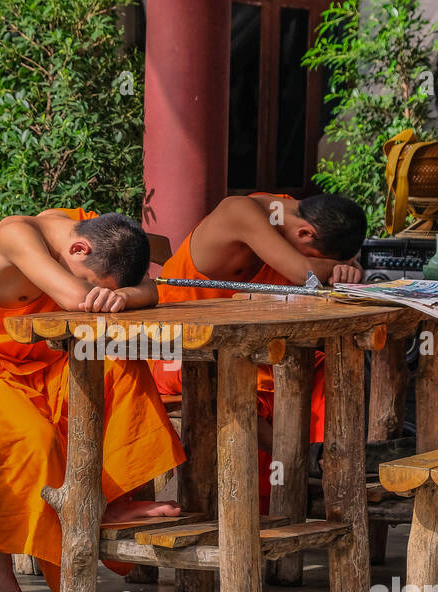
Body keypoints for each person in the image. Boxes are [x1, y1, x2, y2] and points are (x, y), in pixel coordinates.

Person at [0, 207, 186, 592]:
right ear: (79, 249)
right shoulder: (16, 234)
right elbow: (75, 299)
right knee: (36, 437)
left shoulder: (83, 226)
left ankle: (101, 499)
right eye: (95, 282)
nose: (96, 291)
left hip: (43, 367)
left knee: (122, 364)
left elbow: (154, 287)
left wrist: (125, 296)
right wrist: (111, 292)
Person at [149, 193, 368, 508]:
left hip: (243, 345)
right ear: (304, 233)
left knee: (318, 367)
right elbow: (304, 275)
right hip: (178, 349)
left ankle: (325, 460)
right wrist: (336, 267)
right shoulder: (241, 211)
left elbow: (323, 265)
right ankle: (295, 456)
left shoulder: (296, 216)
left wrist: (347, 266)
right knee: (246, 382)